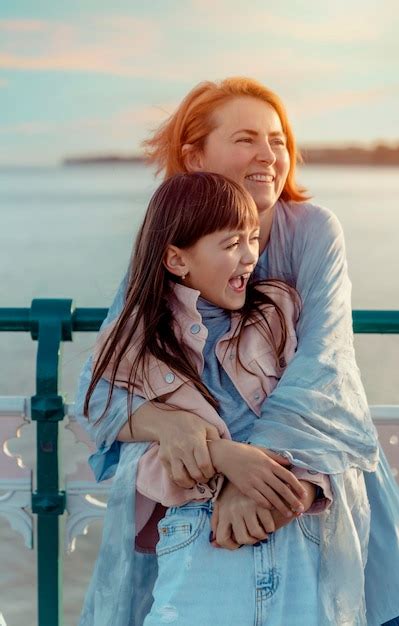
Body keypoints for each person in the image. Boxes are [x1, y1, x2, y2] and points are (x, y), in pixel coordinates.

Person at [76, 77, 399, 625]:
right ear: (194, 155)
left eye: (277, 139)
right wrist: (172, 428)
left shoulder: (313, 231)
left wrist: (254, 484)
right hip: (201, 505)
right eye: (246, 138)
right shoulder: (170, 241)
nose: (269, 155)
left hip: (304, 477)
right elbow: (101, 384)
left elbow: (325, 367)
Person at [82, 171, 342, 625]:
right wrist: (220, 455)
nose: (248, 258)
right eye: (230, 245)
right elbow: (95, 409)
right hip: (198, 529)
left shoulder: (277, 313)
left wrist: (295, 485)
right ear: (177, 260)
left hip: (288, 523)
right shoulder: (139, 337)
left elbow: (320, 404)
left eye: (253, 239)